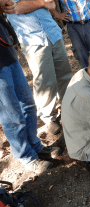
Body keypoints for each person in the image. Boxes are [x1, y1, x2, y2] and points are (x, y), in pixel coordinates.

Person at [0, 1, 62, 173]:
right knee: (11, 114)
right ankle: (27, 156)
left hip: (7, 52)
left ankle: (35, 145)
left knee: (27, 103)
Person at [6, 0, 73, 135]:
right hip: (32, 39)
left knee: (65, 75)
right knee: (45, 81)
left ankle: (70, 110)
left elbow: (51, 4)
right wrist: (42, 3)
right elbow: (15, 8)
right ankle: (48, 118)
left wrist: (42, 4)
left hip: (52, 33)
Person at [50, 0, 90, 69]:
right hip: (73, 26)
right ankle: (87, 76)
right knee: (80, 53)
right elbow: (47, 2)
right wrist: (57, 14)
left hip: (89, 23)